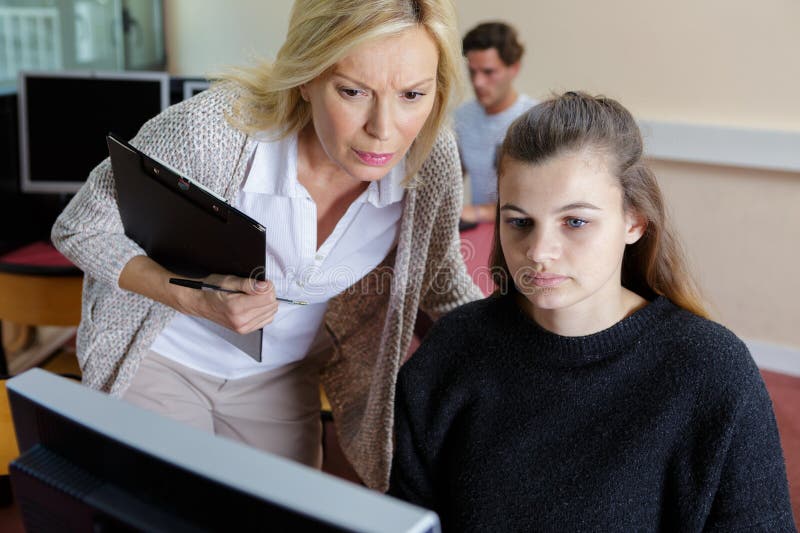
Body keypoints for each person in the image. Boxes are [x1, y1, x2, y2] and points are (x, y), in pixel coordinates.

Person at [52, 0, 483, 492]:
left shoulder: (430, 158)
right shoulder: (214, 130)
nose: (384, 129)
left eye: (412, 94)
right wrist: (192, 297)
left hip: (278, 375)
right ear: (305, 75)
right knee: (165, 512)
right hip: (162, 356)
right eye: (352, 91)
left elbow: (443, 282)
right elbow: (82, 225)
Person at [389, 92, 796, 530]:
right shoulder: (453, 351)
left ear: (634, 221)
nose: (539, 253)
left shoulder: (711, 371)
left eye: (575, 222)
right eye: (519, 221)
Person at [453, 21, 535, 225]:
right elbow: (452, 180)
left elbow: (537, 195)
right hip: (479, 231)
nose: (478, 82)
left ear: (514, 68)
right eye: (472, 72)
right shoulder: (463, 117)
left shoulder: (534, 119)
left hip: (520, 229)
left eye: (488, 72)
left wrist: (479, 212)